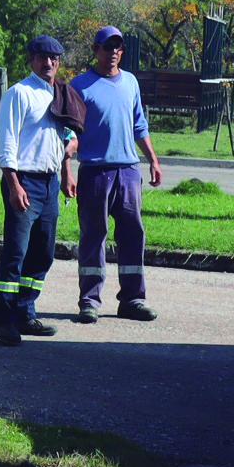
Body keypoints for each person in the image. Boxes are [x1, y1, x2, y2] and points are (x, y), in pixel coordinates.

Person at [63, 25, 162, 323]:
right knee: (94, 236)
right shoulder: (79, 85)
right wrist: (67, 171)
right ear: (96, 50)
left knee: (133, 234)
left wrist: (153, 161)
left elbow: (139, 125)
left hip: (129, 171)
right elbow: (70, 133)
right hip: (95, 171)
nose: (114, 53)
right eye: (108, 47)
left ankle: (132, 299)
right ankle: (89, 301)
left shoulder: (130, 82)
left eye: (118, 47)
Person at [0, 34, 75, 346]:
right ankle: (4, 320)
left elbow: (63, 137)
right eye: (42, 57)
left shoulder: (59, 93)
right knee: (15, 253)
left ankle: (25, 313)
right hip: (23, 181)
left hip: (50, 182)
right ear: (31, 60)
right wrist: (13, 184)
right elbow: (5, 142)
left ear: (59, 63)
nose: (48, 63)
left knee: (43, 254)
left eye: (54, 58)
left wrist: (66, 173)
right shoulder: (19, 93)